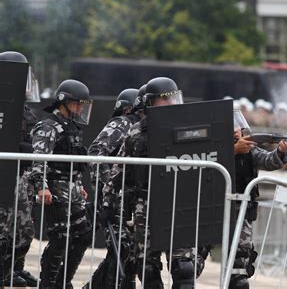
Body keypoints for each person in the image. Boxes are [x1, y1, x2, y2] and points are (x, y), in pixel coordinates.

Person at [101, 77, 208, 289]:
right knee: (147, 268)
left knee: (184, 267)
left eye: (173, 98)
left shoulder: (188, 129)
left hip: (179, 203)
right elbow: (119, 169)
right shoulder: (135, 133)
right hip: (146, 205)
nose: (170, 104)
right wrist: (107, 202)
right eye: (164, 100)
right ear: (150, 102)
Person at [29, 79, 93, 288]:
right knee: (60, 239)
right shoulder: (48, 126)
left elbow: (74, 159)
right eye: (77, 103)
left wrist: (79, 185)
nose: (81, 108)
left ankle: (63, 281)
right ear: (63, 102)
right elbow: (39, 159)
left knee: (83, 234)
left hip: (72, 189)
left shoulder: (71, 128)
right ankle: (48, 283)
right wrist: (42, 186)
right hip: (55, 188)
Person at [86, 88, 141, 288]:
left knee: (131, 251)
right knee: (122, 248)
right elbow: (96, 153)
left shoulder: (143, 127)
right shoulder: (123, 123)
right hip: (115, 197)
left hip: (133, 199)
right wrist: (109, 186)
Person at [231, 109, 287, 289]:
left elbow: (267, 160)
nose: (235, 130)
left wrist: (280, 152)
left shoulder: (249, 149)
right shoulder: (212, 147)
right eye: (230, 126)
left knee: (240, 269)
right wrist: (231, 151)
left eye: (237, 126)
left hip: (241, 212)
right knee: (187, 268)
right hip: (211, 212)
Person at [0, 50, 40, 287]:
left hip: (19, 177)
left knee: (22, 232)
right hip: (4, 177)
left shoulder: (24, 110)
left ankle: (11, 270)